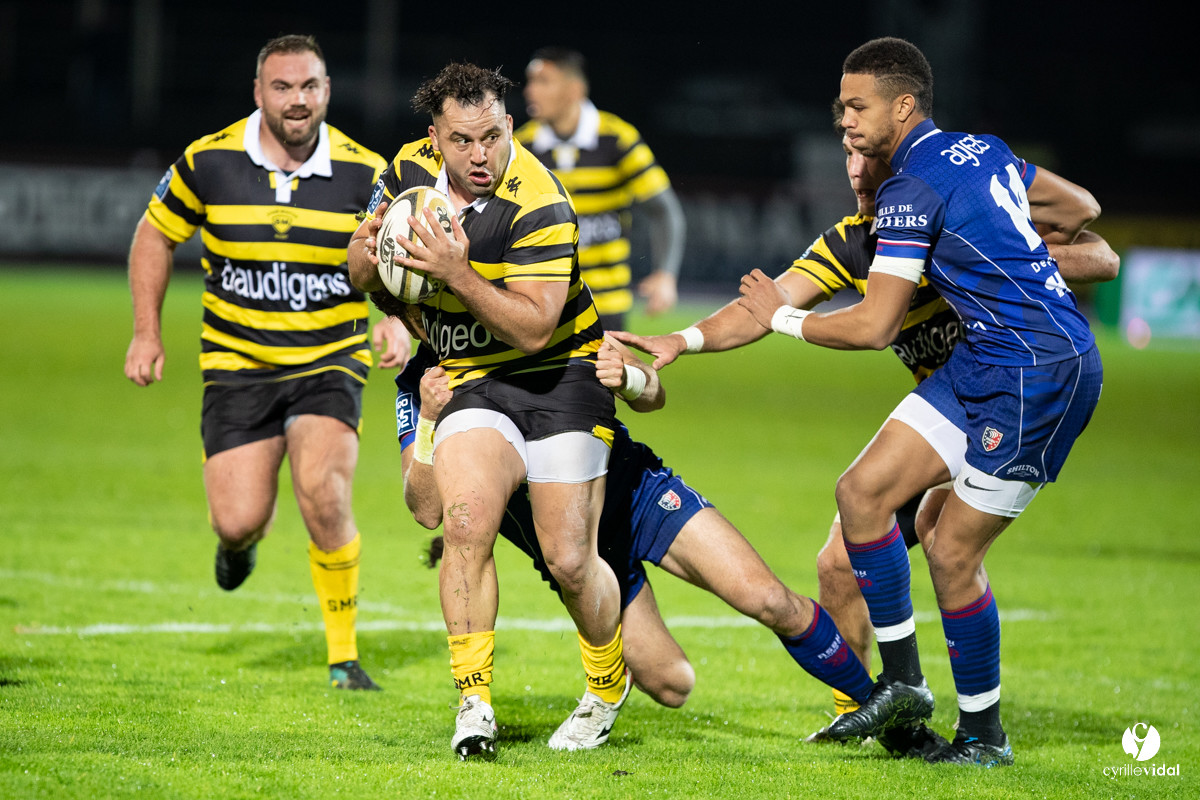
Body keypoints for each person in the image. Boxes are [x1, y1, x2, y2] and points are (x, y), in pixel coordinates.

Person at [613, 98, 1116, 753]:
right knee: (840, 562)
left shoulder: (959, 215)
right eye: (846, 153)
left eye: (864, 151)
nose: (854, 165)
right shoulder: (854, 241)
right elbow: (763, 307)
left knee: (948, 548)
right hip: (948, 406)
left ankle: (976, 731)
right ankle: (880, 713)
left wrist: (980, 258)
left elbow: (1099, 255)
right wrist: (683, 340)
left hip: (1012, 398)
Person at [735, 37, 1106, 766]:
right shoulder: (982, 149)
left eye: (856, 106)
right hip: (984, 359)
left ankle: (983, 739)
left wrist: (779, 317)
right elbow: (1083, 208)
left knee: (950, 550)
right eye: (841, 107)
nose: (843, 121)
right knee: (861, 492)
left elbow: (875, 326)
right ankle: (904, 684)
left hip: (1038, 372)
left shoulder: (908, 191)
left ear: (903, 107)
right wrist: (1017, 243)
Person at [373, 294, 908, 755]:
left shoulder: (532, 317)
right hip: (572, 549)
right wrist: (426, 420)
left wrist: (627, 376)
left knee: (770, 600)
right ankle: (599, 681)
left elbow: (652, 394)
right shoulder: (421, 382)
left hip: (635, 494)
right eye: (417, 312)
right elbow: (425, 509)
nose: (430, 317)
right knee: (671, 684)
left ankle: (870, 711)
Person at [346, 63, 626, 758]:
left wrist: (453, 272)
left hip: (560, 376)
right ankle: (474, 703)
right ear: (434, 138)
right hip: (470, 378)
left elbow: (533, 328)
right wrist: (377, 253)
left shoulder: (541, 202)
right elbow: (357, 266)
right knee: (464, 520)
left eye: (494, 137)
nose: (482, 156)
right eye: (464, 140)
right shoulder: (405, 172)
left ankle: (606, 682)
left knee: (567, 558)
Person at [123, 34, 404, 691]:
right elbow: (154, 234)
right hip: (237, 363)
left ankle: (343, 658)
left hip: (329, 361)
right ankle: (238, 544)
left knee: (324, 494)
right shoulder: (209, 160)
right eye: (282, 87)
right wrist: (145, 332)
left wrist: (393, 319)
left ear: (328, 90)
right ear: (259, 94)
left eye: (309, 86)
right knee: (238, 518)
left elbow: (398, 258)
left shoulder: (369, 173)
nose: (297, 100)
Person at [516, 47, 686, 330]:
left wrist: (666, 275)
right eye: (531, 81)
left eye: (543, 82)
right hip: (542, 304)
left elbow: (664, 209)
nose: (530, 91)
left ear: (574, 90)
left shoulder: (617, 139)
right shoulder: (521, 148)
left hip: (605, 307)